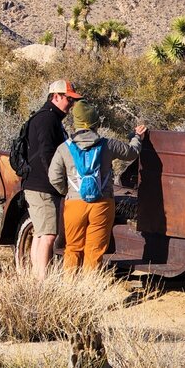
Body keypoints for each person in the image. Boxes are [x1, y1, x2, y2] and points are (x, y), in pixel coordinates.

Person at [48, 100, 146, 270]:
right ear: (95, 123)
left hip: (74, 204)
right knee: (95, 250)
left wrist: (68, 192)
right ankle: (90, 289)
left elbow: (54, 177)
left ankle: (69, 288)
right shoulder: (108, 145)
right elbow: (132, 153)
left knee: (72, 248)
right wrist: (137, 137)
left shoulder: (64, 148)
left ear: (76, 123)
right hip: (102, 203)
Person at [24, 79, 82, 280]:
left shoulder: (45, 117)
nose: (71, 104)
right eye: (68, 99)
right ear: (55, 97)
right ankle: (42, 282)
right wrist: (57, 181)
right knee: (48, 235)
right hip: (43, 186)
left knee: (41, 234)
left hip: (36, 184)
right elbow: (47, 152)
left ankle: (35, 279)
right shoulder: (48, 119)